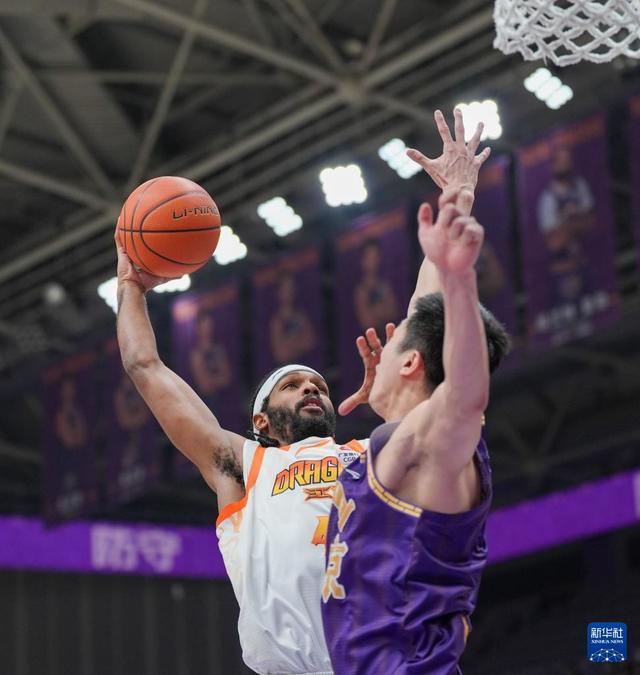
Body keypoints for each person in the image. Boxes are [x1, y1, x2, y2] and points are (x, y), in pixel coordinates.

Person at [115, 108, 490, 675]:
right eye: (291, 386)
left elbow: (423, 328)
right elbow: (145, 366)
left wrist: (456, 199)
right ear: (261, 421)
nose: (311, 388)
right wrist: (130, 286)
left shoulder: (371, 457)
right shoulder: (243, 467)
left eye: (317, 383)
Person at [321, 173, 510, 671]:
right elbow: (422, 313)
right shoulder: (403, 439)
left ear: (411, 363)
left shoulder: (434, 442)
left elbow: (464, 396)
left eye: (392, 342)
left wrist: (460, 278)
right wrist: (455, 203)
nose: (378, 349)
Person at [537, 145, 596, 304]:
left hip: (586, 260)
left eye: (567, 161)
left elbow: (591, 222)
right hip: (563, 268)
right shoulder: (547, 198)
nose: (564, 165)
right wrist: (574, 223)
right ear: (553, 165)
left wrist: (567, 225)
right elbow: (554, 242)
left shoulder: (580, 186)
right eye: (561, 161)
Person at [353, 238, 399, 335]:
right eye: (369, 257)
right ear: (363, 260)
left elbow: (393, 311)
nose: (373, 261)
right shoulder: (361, 291)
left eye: (375, 256)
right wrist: (383, 310)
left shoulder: (384, 285)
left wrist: (375, 311)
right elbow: (367, 322)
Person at [269, 272, 316, 364]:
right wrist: (298, 342)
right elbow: (281, 355)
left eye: (291, 286)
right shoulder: (276, 322)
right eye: (285, 287)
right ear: (278, 292)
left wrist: (290, 344)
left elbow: (310, 342)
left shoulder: (301, 316)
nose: (289, 291)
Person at [189, 308, 232, 395]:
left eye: (209, 326)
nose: (207, 330)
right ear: (198, 329)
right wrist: (218, 378)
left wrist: (212, 380)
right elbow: (204, 386)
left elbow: (227, 378)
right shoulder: (196, 355)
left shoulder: (218, 350)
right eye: (204, 326)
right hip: (204, 400)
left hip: (224, 398)